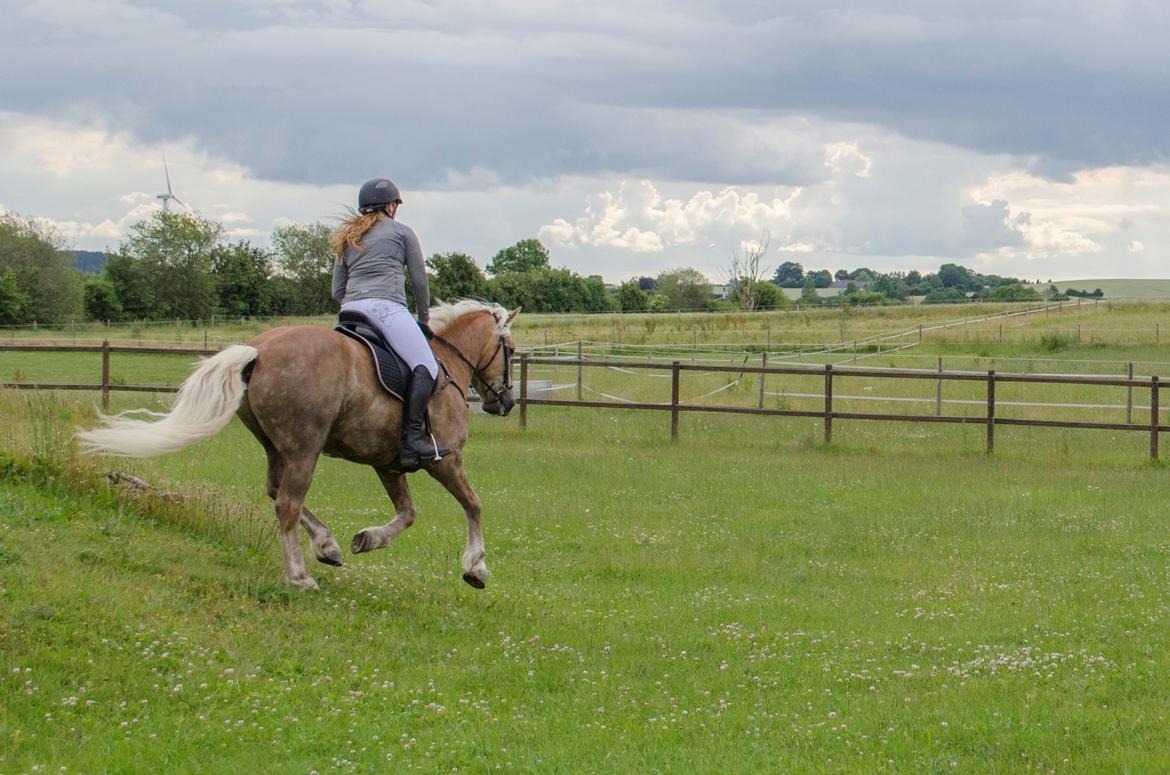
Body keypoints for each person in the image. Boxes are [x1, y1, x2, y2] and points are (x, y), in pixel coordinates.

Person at [331, 178, 449, 470]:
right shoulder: (402, 232)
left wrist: (355, 302)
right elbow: (420, 282)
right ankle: (411, 441)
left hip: (351, 310)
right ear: (390, 206)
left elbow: (336, 290)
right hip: (387, 308)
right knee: (427, 366)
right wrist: (423, 319)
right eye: (396, 202)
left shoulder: (347, 236)